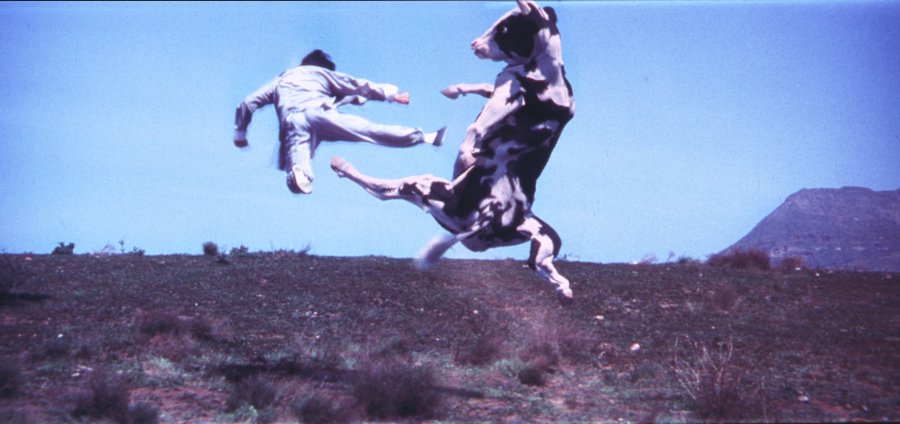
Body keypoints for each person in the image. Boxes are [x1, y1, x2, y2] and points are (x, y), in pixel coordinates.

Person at [233, 49, 445, 194]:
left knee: (300, 160)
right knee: (368, 131)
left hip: (293, 123)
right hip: (320, 114)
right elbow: (354, 85)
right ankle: (425, 137)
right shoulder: (320, 73)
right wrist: (390, 95)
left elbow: (247, 103)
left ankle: (299, 171)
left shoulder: (281, 80)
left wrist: (240, 134)